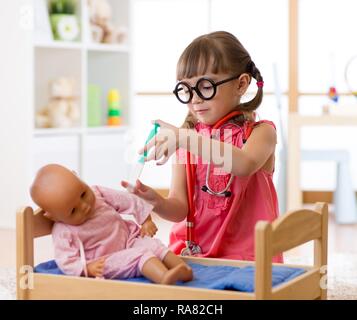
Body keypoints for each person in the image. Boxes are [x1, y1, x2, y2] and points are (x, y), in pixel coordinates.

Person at [122, 31, 283, 262]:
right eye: (185, 89)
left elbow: (244, 165)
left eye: (205, 87)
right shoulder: (186, 138)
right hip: (192, 256)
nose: (194, 99)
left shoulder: (262, 132)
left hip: (249, 260)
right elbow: (179, 209)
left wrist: (184, 138)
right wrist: (154, 201)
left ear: (241, 84)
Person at [30, 164, 193, 284]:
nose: (85, 206)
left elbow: (127, 200)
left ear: (78, 177)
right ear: (53, 216)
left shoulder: (98, 193)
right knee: (142, 255)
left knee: (154, 245)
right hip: (106, 260)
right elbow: (65, 259)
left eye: (83, 194)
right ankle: (164, 278)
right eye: (73, 211)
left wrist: (145, 221)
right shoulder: (63, 231)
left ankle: (184, 270)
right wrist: (86, 268)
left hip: (129, 240)